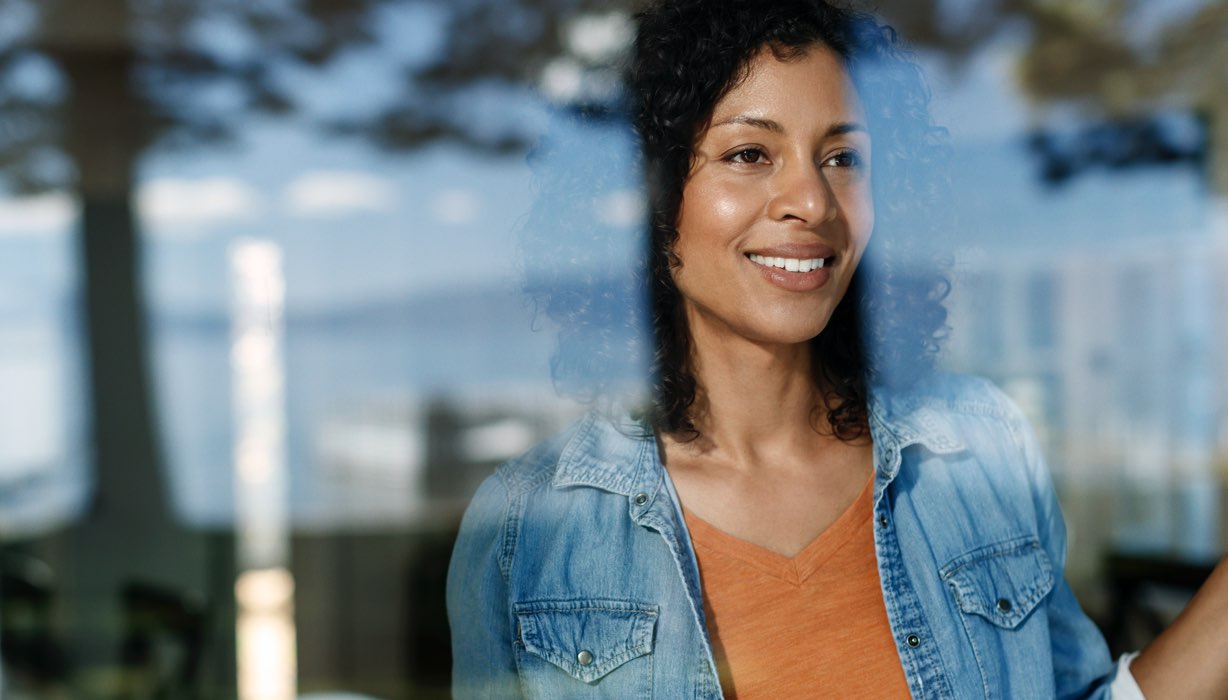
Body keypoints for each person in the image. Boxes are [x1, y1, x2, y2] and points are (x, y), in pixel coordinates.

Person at [447, 0, 1228, 697]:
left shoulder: (979, 446)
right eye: (749, 154)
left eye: (843, 157)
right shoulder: (528, 526)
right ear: (650, 198)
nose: (813, 202)